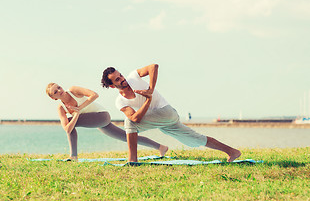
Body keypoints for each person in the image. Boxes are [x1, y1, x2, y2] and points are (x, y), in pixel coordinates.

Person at [101, 64, 241, 162]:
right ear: (112, 85)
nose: (123, 79)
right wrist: (148, 101)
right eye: (117, 79)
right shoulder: (120, 101)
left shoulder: (133, 77)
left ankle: (132, 160)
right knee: (196, 138)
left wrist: (150, 90)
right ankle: (232, 152)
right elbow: (135, 118)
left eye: (121, 75)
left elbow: (153, 67)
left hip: (166, 113)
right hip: (162, 121)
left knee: (128, 123)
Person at [46, 83, 168, 160]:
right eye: (55, 92)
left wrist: (80, 108)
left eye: (58, 87)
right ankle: (161, 147)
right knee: (126, 137)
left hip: (102, 116)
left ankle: (73, 156)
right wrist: (77, 113)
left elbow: (94, 95)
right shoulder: (61, 107)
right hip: (96, 121)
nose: (59, 91)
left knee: (70, 122)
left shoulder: (73, 90)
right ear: (53, 98)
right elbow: (67, 129)